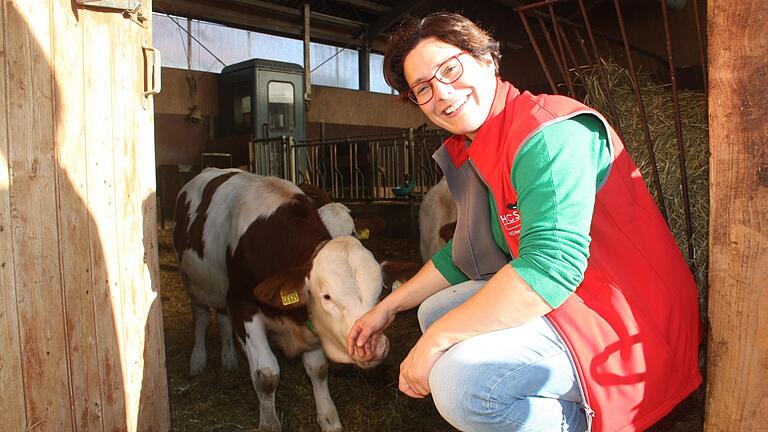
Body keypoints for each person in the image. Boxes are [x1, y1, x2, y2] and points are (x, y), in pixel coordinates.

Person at [346, 12, 702, 432]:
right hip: (575, 299)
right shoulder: (482, 147)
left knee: (461, 383)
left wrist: (437, 340)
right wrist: (386, 308)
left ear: (487, 60)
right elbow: (466, 254)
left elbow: (550, 267)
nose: (442, 93)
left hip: (628, 324)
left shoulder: (545, 132)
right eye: (423, 88)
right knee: (435, 309)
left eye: (450, 68)